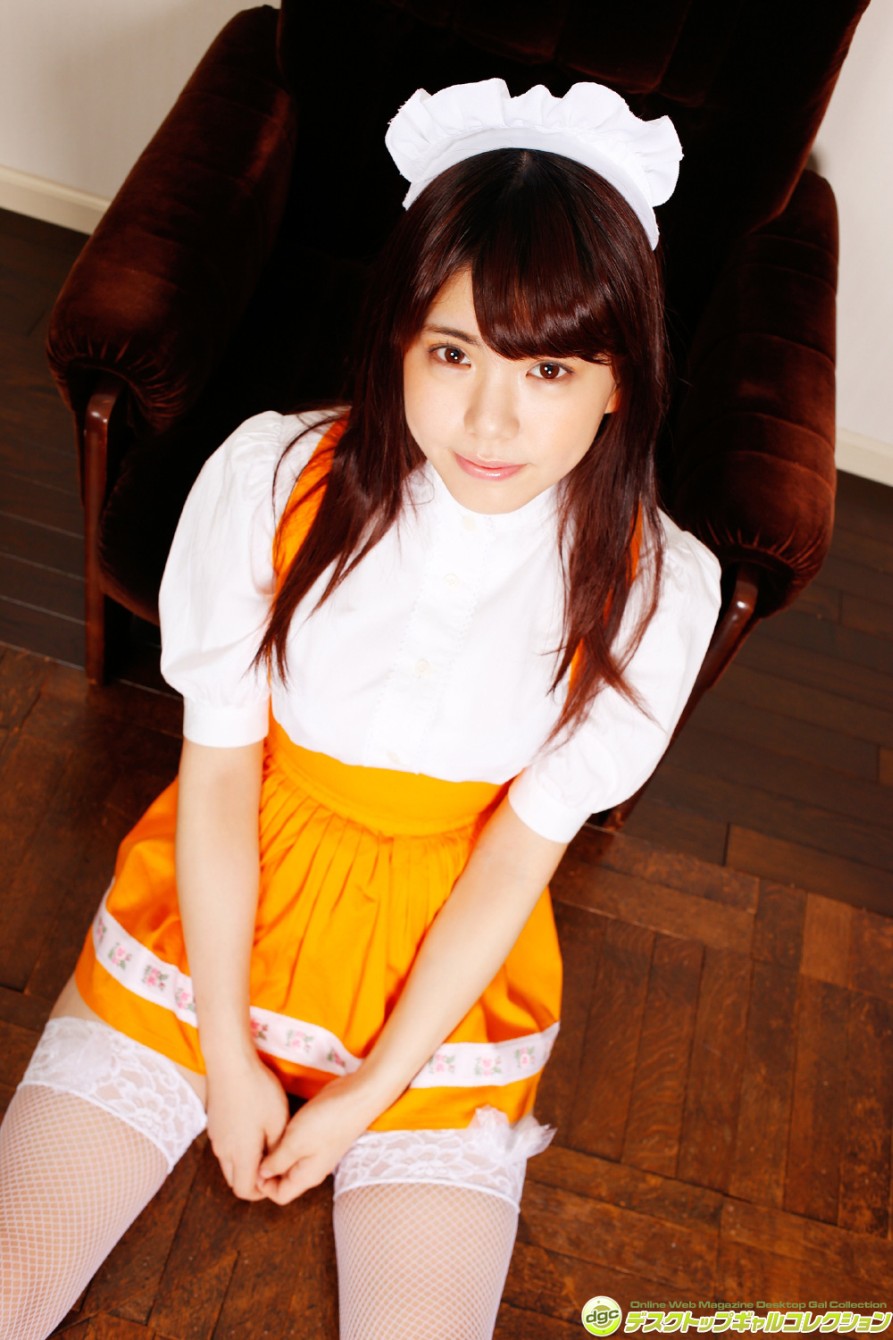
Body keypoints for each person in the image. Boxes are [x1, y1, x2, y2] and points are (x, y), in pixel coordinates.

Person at [0, 78, 721, 1339]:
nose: (489, 417)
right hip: (220, 905)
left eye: (548, 368)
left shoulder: (655, 588)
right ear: (397, 340)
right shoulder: (275, 476)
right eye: (451, 352)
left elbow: (514, 861)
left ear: (617, 379)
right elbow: (219, 777)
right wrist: (228, 1055)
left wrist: (367, 1092)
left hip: (437, 970)